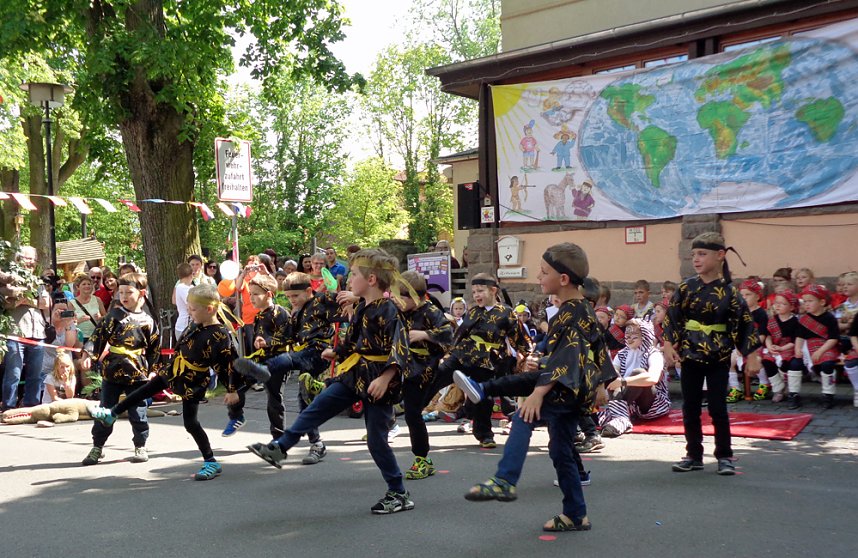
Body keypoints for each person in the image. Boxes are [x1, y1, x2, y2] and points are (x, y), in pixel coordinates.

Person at [457, 242, 614, 532]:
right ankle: (576, 514)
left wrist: (539, 394)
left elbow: (569, 356)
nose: (539, 278)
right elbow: (597, 346)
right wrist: (605, 381)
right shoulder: (578, 309)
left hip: (564, 388)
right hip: (571, 387)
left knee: (522, 417)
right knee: (561, 452)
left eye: (543, 272)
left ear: (563, 279)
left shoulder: (571, 314)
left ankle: (505, 480)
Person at [246, 248, 414, 515]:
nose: (349, 279)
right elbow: (356, 341)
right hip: (354, 373)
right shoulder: (362, 307)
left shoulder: (389, 308)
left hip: (377, 380)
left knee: (376, 441)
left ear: (371, 280)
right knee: (317, 407)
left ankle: (398, 492)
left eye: (354, 274)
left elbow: (400, 347)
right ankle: (280, 448)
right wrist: (337, 351)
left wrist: (386, 377)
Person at [90, 284, 238, 480]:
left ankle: (211, 461)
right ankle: (112, 413)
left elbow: (229, 363)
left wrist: (232, 389)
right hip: (173, 371)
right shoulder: (195, 324)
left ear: (209, 309)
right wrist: (160, 370)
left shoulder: (219, 334)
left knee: (190, 423)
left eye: (193, 309)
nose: (189, 312)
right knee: (142, 392)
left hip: (191, 381)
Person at [662, 232, 761, 475]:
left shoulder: (730, 293)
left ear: (720, 256)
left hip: (718, 357)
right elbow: (672, 318)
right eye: (694, 254)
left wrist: (753, 355)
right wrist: (667, 345)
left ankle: (724, 456)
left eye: (702, 254)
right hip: (690, 356)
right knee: (690, 406)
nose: (696, 259)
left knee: (718, 407)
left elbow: (746, 323)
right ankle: (693, 455)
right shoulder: (686, 288)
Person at [233, 271, 339, 463]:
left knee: (284, 360)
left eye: (295, 296)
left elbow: (344, 304)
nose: (292, 301)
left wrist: (352, 296)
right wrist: (265, 341)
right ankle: (317, 444)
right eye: (289, 297)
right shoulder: (296, 313)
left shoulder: (321, 302)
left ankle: (264, 370)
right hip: (303, 353)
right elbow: (287, 337)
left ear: (309, 291)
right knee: (304, 400)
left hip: (319, 352)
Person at [435, 273, 529, 448]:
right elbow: (459, 335)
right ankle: (413, 407)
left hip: (487, 361)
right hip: (462, 355)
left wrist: (525, 355)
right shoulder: (473, 311)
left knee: (483, 398)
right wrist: (447, 353)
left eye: (480, 291)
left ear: (493, 290)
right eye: (474, 292)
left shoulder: (506, 313)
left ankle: (484, 435)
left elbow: (521, 339)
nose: (476, 295)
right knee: (436, 376)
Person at [81, 272, 159, 466]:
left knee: (138, 411)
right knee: (105, 410)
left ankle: (140, 445)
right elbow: (97, 337)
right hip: (112, 372)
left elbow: (154, 349)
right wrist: (89, 355)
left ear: (141, 293)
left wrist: (153, 370)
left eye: (128, 292)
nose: (123, 296)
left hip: (137, 373)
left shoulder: (148, 321)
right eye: (121, 292)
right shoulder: (113, 316)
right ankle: (97, 447)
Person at [396, 271, 454, 480]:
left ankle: (422, 459)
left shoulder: (430, 311)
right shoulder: (400, 310)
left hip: (423, 370)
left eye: (402, 296)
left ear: (416, 297)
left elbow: (448, 334)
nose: (397, 300)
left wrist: (425, 335)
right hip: (402, 365)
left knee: (412, 414)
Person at [222, 274, 289, 437]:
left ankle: (278, 437)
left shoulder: (281, 313)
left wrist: (267, 342)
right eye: (250, 293)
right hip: (261, 360)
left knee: (274, 398)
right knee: (237, 382)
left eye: (255, 294)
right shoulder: (258, 315)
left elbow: (287, 338)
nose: (251, 297)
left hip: (278, 361)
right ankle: (237, 416)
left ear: (269, 295)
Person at [599, 319, 669, 437]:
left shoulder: (654, 354)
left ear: (645, 336)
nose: (629, 339)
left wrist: (623, 381)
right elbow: (612, 376)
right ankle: (621, 419)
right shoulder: (622, 354)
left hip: (649, 402)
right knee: (612, 374)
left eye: (634, 336)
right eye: (627, 335)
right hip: (628, 402)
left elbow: (653, 378)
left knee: (638, 372)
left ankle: (619, 419)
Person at [1, 246, 51, 411]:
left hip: (37, 333)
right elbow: (6, 302)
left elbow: (46, 303)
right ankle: (8, 407)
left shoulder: (38, 282)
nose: (31, 262)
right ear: (18, 259)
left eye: (33, 259)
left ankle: (32, 406)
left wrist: (25, 299)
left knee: (36, 375)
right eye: (28, 259)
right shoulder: (8, 279)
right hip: (15, 333)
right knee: (13, 374)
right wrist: (21, 298)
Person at [791, 284, 841, 409]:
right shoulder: (803, 319)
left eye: (810, 301)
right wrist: (797, 349)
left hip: (826, 346)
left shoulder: (830, 318)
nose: (806, 304)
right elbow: (800, 336)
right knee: (795, 364)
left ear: (822, 302)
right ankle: (793, 395)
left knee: (827, 365)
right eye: (805, 301)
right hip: (807, 347)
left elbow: (833, 338)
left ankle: (828, 395)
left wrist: (820, 351)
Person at [726, 279, 768, 403]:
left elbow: (762, 335)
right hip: (740, 347)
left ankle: (764, 384)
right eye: (742, 295)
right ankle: (735, 388)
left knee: (759, 360)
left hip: (757, 347)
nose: (744, 298)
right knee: (729, 360)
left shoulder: (761, 314)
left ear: (757, 296)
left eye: (748, 295)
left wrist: (747, 347)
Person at [762, 290, 799, 403]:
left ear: (791, 307)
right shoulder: (772, 320)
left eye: (782, 303)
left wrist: (782, 348)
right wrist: (769, 347)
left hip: (788, 347)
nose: (777, 305)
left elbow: (795, 340)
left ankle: (788, 386)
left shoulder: (795, 322)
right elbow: (768, 335)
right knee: (767, 361)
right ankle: (778, 388)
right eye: (776, 302)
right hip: (774, 346)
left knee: (786, 363)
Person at [72, 274, 106, 343]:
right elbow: (68, 323)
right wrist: (79, 320)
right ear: (78, 287)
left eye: (89, 284)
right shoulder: (71, 303)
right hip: (79, 338)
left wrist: (100, 317)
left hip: (95, 336)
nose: (87, 286)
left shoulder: (97, 299)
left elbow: (106, 316)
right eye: (84, 284)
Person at [172, 262, 194, 342]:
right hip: (184, 326)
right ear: (192, 274)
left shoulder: (190, 287)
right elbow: (190, 304)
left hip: (188, 325)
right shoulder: (181, 287)